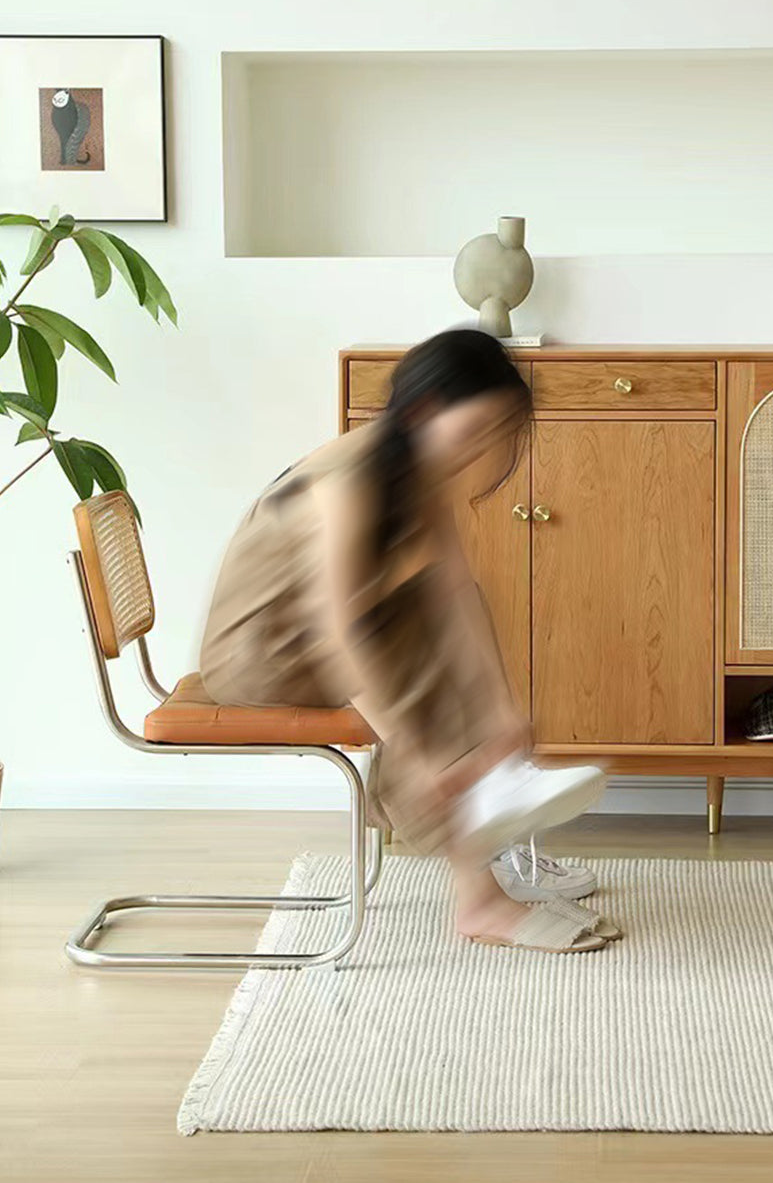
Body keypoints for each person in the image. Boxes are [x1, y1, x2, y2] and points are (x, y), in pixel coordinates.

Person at [199, 329, 619, 953]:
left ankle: (495, 791)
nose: (482, 450)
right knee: (413, 662)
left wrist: (503, 720)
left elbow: (455, 593)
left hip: (310, 642)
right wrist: (416, 750)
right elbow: (337, 629)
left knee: (439, 611)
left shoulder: (415, 466)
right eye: (475, 431)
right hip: (258, 657)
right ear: (426, 411)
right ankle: (479, 885)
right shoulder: (351, 480)